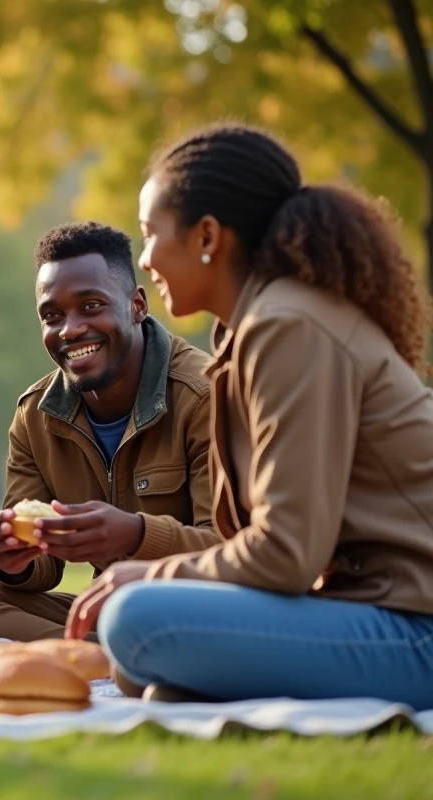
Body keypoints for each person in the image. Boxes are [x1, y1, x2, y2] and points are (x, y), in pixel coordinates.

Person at [68, 123, 433, 711]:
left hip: (417, 629)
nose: (146, 259)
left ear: (207, 235)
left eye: (150, 234)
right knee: (147, 662)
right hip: (372, 611)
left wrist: (150, 575)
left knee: (138, 621)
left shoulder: (289, 327)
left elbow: (287, 553)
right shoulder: (256, 332)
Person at [0, 221, 219, 646]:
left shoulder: (205, 396)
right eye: (52, 315)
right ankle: (105, 653)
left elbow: (231, 551)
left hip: (204, 607)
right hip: (108, 608)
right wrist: (15, 559)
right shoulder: (35, 416)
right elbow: (39, 572)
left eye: (90, 306)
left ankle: (114, 651)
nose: (69, 330)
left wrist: (135, 534)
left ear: (137, 305)